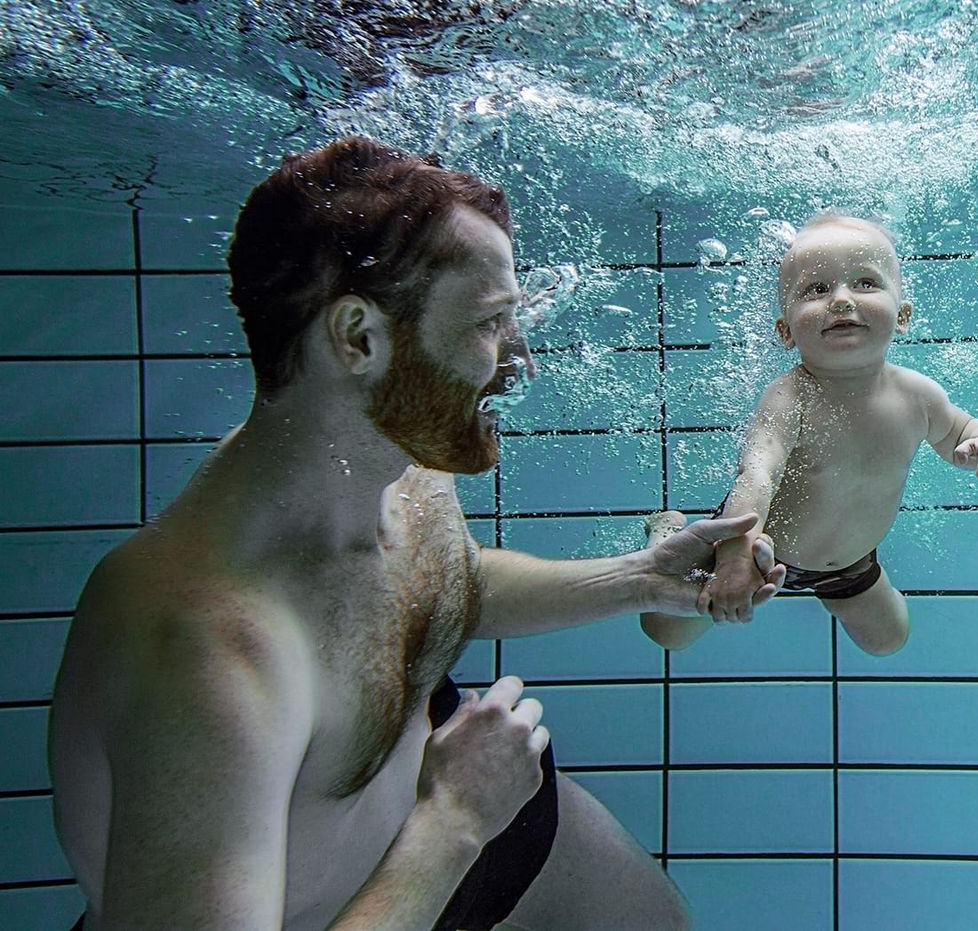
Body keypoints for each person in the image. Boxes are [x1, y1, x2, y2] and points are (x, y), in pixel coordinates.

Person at [47, 136, 785, 931]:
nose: (521, 358)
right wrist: (454, 822)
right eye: (492, 322)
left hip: (444, 825)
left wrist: (641, 577)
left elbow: (441, 586)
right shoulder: (205, 649)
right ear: (359, 338)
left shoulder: (404, 467)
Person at [639, 210, 978, 657]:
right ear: (786, 330)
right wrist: (732, 558)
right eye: (816, 289)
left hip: (849, 562)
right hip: (752, 547)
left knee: (888, 641)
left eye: (865, 283)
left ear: (902, 315)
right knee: (665, 632)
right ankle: (667, 537)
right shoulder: (789, 396)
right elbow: (756, 476)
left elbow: (959, 433)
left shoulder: (918, 395)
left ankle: (831, 589)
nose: (842, 300)